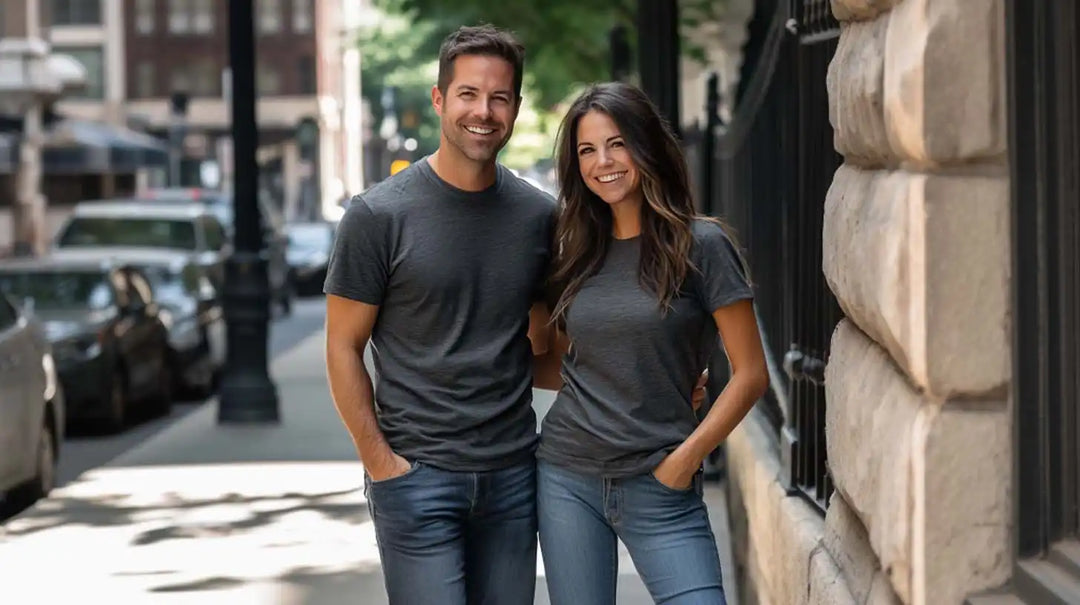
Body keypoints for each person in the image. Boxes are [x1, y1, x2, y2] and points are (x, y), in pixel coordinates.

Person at [323, 25, 556, 604]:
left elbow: (550, 348)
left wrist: (659, 383)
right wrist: (381, 463)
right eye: (469, 94)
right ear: (439, 100)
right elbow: (342, 347)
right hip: (416, 476)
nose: (484, 111)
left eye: (499, 97)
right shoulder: (377, 216)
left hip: (512, 477)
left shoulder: (538, 216)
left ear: (516, 108)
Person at [532, 82, 770, 605]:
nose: (603, 162)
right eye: (587, 151)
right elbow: (568, 363)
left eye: (616, 143)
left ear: (646, 146)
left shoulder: (701, 245)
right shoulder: (574, 253)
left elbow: (751, 373)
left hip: (662, 483)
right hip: (568, 477)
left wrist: (683, 462)